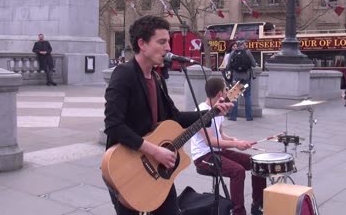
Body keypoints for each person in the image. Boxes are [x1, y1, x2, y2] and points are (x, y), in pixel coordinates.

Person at [103, 15, 232, 215]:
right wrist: (154, 150)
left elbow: (175, 117)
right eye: (162, 42)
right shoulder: (124, 74)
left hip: (157, 168)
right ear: (142, 44)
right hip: (127, 167)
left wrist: (212, 112)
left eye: (168, 42)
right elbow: (113, 125)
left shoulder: (157, 78)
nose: (168, 48)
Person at [191, 77, 266, 215]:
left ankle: (258, 206)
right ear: (220, 93)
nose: (228, 91)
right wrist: (235, 144)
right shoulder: (201, 111)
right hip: (203, 156)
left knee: (257, 163)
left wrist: (235, 139)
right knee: (238, 171)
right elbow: (210, 141)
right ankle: (238, 212)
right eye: (226, 89)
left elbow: (220, 135)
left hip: (218, 151)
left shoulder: (219, 109)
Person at [226, 40, 257, 121]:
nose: (246, 45)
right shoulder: (247, 52)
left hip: (236, 78)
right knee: (247, 96)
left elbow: (228, 66)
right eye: (245, 44)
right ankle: (249, 117)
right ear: (243, 45)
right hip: (246, 77)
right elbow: (253, 64)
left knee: (235, 96)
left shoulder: (233, 53)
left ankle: (233, 116)